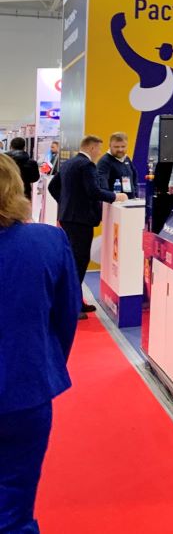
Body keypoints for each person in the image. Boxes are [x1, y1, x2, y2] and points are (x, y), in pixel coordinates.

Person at [0, 154, 81, 534]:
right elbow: (65, 317)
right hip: (25, 388)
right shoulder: (48, 242)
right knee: (15, 506)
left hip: (25, 385)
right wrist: (43, 364)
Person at [111, 11, 173, 186]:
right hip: (164, 129)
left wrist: (116, 30)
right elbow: (128, 53)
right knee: (147, 161)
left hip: (166, 130)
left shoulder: (162, 71)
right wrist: (116, 31)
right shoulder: (157, 70)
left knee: (151, 162)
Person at [48, 135, 128, 319]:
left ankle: (76, 302)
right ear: (92, 148)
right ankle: (72, 306)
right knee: (79, 261)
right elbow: (93, 191)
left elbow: (53, 186)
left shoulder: (69, 163)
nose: (99, 152)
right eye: (98, 149)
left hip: (69, 218)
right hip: (81, 220)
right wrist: (116, 196)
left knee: (75, 260)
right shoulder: (86, 165)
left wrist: (66, 204)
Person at [96, 132, 139, 198]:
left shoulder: (126, 159)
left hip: (130, 200)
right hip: (114, 202)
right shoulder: (104, 162)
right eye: (116, 147)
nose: (120, 149)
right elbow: (102, 186)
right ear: (110, 145)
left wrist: (135, 194)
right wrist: (112, 198)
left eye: (123, 146)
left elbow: (134, 177)